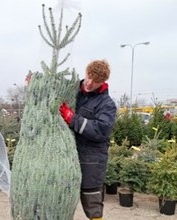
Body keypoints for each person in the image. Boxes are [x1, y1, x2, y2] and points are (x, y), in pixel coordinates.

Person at [59, 60, 117, 220]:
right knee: (59, 199)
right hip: (67, 156)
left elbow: (100, 130)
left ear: (103, 82)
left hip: (91, 160)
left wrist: (73, 119)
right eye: (88, 77)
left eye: (96, 81)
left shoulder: (107, 104)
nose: (90, 83)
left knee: (92, 204)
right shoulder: (73, 91)